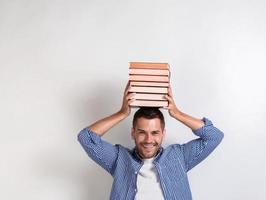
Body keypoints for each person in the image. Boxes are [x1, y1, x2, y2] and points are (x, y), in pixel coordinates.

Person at [77, 81, 224, 200]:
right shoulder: (119, 159)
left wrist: (177, 113)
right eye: (142, 132)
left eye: (154, 133)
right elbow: (86, 138)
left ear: (163, 134)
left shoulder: (179, 156)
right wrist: (122, 113)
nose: (148, 140)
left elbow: (214, 136)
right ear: (133, 133)